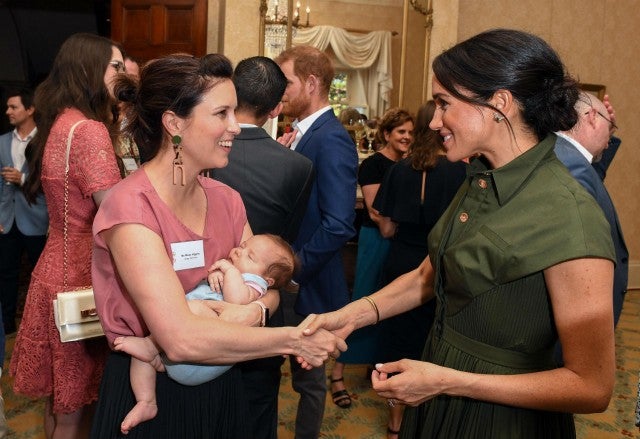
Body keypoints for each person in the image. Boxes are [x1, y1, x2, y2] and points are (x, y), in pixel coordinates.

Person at [303, 28, 616, 438]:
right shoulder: (478, 180)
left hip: (502, 421)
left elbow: (592, 386)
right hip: (441, 393)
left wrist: (449, 381)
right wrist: (353, 315)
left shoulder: (569, 213)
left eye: (444, 104)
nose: (434, 121)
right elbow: (428, 275)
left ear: (499, 103)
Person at [90, 53, 345, 438]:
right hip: (152, 392)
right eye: (221, 113)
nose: (235, 127)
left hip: (223, 384)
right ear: (175, 124)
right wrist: (290, 338)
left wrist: (252, 312)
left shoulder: (227, 199)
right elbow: (179, 340)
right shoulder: (130, 208)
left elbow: (269, 285)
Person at [9, 33, 123, 439]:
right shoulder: (89, 130)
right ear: (90, 68)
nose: (121, 74)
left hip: (52, 267)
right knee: (77, 409)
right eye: (115, 66)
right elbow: (115, 210)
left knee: (59, 401)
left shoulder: (60, 123)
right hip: (82, 276)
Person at [209, 55, 314, 439]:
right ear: (275, 109)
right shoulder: (297, 166)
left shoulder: (205, 152)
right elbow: (288, 238)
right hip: (263, 295)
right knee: (257, 411)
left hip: (207, 293)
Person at [113, 233, 297, 434]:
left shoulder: (255, 284)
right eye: (243, 246)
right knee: (140, 357)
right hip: (175, 350)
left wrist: (228, 271)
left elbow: (236, 300)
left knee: (192, 310)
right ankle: (146, 400)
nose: (239, 251)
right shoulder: (237, 270)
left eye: (250, 256)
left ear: (267, 280)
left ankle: (150, 345)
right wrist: (216, 274)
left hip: (199, 354)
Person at [274, 45, 359, 439]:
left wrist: (295, 272)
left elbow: (339, 224)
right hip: (288, 278)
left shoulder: (332, 139)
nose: (280, 91)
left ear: (311, 83)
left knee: (309, 383)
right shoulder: (301, 134)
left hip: (308, 282)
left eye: (286, 82)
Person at [372, 101, 467, 437]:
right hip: (441, 264)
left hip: (401, 260)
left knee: (397, 338)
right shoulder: (462, 173)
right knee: (434, 338)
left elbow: (386, 229)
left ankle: (395, 420)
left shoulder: (399, 170)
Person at [329, 107, 414, 410]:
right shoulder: (374, 165)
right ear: (387, 134)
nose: (407, 137)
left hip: (401, 242)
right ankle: (337, 374)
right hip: (376, 240)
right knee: (365, 300)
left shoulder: (412, 165)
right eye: (401, 131)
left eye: (410, 132)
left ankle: (375, 362)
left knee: (392, 306)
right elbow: (377, 211)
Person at [554, 92, 628, 327]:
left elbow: (592, 176)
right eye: (609, 126)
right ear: (592, 117)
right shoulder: (570, 165)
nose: (608, 138)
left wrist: (608, 130)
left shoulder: (565, 155)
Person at [0, 87, 48, 335]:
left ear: (30, 109)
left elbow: (50, 181)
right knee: (6, 274)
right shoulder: (2, 142)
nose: (8, 111)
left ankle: (40, 326)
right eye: (7, 107)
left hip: (37, 219)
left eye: (13, 107)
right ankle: (7, 325)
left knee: (40, 276)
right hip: (7, 220)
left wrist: (22, 179)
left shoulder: (45, 141)